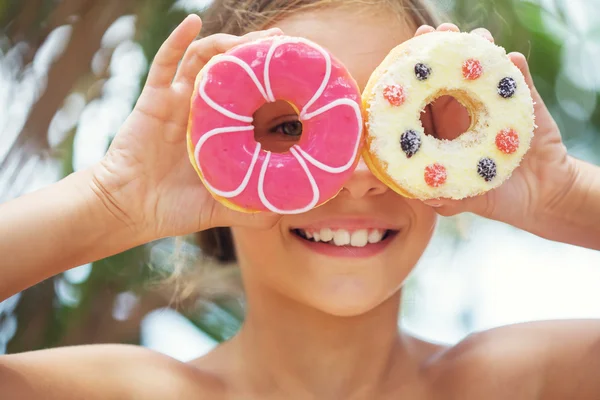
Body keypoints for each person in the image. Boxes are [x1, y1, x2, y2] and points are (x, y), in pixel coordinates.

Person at [1, 0, 600, 398]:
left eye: (404, 131)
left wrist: (566, 195)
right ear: (210, 158)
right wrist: (114, 202)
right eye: (290, 130)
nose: (357, 177)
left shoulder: (537, 381)